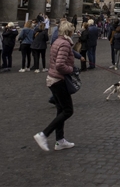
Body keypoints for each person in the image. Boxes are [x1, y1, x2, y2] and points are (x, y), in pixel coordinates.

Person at [33, 21, 77, 152]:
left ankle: (60, 141)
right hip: (58, 80)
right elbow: (60, 64)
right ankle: (44, 134)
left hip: (52, 78)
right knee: (68, 110)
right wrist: (71, 69)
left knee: (60, 110)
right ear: (69, 31)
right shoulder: (64, 43)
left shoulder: (58, 41)